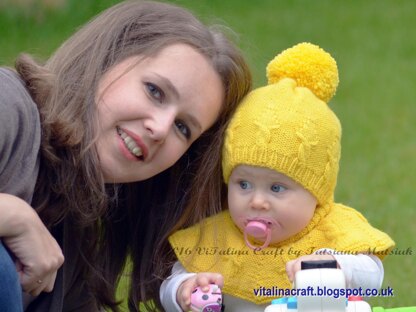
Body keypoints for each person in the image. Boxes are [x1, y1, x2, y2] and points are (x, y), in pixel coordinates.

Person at [0, 1, 252, 311]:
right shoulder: (9, 105)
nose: (159, 129)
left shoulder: (75, 242)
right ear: (106, 59)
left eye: (183, 128)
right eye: (154, 91)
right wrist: (11, 215)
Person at [161, 42, 395, 311]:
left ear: (316, 191)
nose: (257, 201)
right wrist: (183, 289)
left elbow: (372, 276)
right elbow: (171, 281)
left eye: (277, 188)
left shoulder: (334, 230)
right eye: (244, 184)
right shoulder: (217, 237)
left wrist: (336, 266)